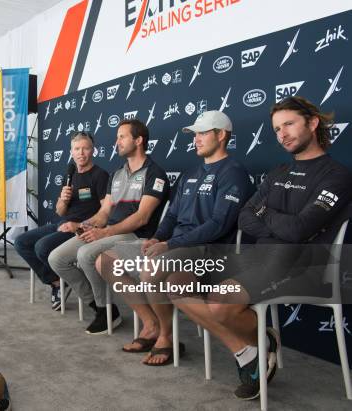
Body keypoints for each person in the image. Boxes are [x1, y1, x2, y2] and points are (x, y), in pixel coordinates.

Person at [171, 96, 352, 400]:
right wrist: (278, 220)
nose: (282, 134)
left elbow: (298, 230)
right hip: (258, 260)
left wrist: (265, 214)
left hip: (305, 266)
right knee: (176, 282)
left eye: (289, 124)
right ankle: (250, 349)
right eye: (277, 129)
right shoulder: (279, 172)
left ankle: (257, 349)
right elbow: (244, 218)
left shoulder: (337, 176)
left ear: (313, 122)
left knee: (219, 301)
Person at [97, 111, 256, 365]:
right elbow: (171, 216)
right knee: (106, 261)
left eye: (203, 133)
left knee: (151, 271)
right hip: (174, 246)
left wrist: (168, 244)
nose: (197, 139)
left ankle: (166, 338)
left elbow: (218, 225)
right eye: (195, 134)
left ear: (222, 135)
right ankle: (151, 325)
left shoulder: (233, 172)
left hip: (208, 250)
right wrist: (157, 237)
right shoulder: (190, 173)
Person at [48, 119, 169, 335]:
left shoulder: (154, 174)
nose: (117, 142)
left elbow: (142, 218)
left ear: (138, 140)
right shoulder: (116, 174)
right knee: (56, 258)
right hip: (110, 231)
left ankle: (105, 312)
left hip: (134, 235)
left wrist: (105, 232)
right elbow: (105, 213)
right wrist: (84, 226)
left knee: (85, 254)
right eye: (117, 137)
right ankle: (98, 305)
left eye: (122, 137)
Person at [14, 132, 109, 310]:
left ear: (93, 150)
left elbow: (105, 214)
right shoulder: (70, 173)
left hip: (83, 229)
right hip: (63, 224)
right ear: (71, 151)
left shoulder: (100, 175)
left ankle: (62, 281)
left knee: (41, 247)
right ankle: (56, 281)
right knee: (21, 242)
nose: (81, 153)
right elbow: (60, 211)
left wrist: (79, 225)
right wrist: (63, 199)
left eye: (85, 148)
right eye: (77, 149)